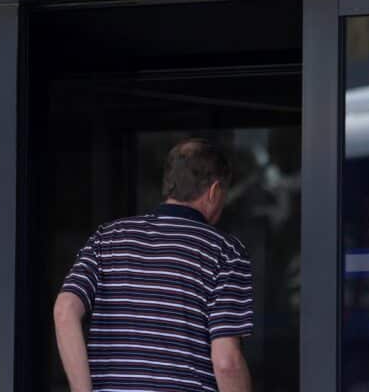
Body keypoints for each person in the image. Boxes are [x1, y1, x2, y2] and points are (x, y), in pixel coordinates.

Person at [53, 138, 254, 392]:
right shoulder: (225, 252)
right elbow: (227, 363)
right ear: (214, 191)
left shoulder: (108, 237)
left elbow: (64, 311)